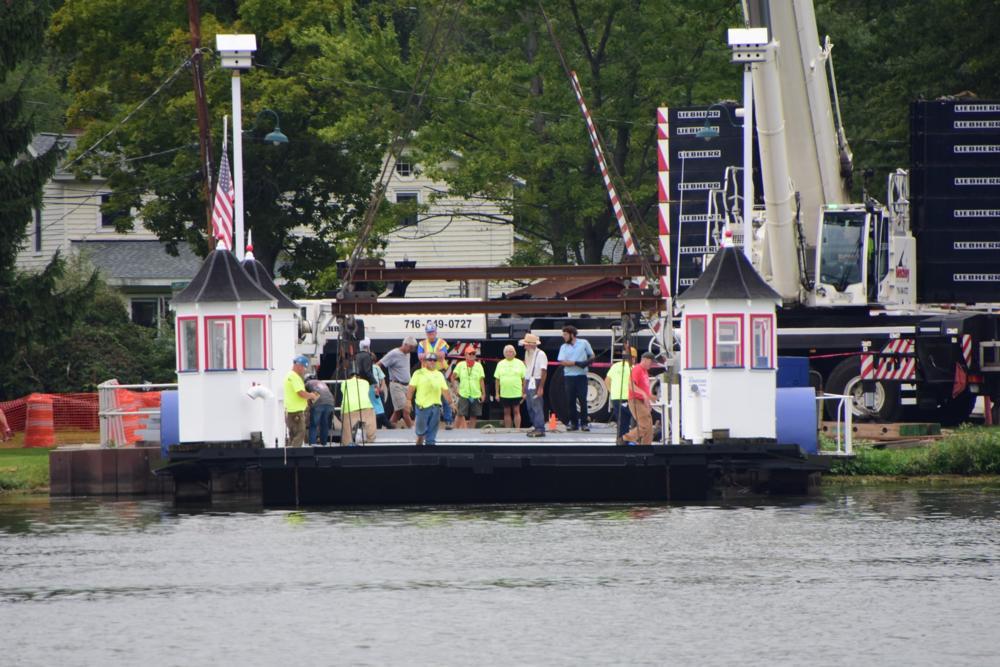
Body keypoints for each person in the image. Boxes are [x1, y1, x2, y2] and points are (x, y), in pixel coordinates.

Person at [406, 352, 455, 446]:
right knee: (420, 433)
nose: (432, 362)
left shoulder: (439, 374)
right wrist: (408, 401)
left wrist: (451, 403)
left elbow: (445, 390)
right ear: (425, 361)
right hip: (422, 407)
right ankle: (419, 447)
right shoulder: (418, 373)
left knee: (431, 436)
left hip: (435, 407)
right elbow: (411, 388)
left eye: (434, 360)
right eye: (430, 360)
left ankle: (430, 453)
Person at [556, 325, 594, 431]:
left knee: (583, 400)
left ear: (572, 335)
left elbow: (592, 355)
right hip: (569, 377)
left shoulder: (584, 343)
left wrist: (588, 362)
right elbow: (562, 361)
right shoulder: (563, 347)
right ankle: (573, 423)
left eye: (565, 334)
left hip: (581, 376)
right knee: (570, 401)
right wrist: (576, 363)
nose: (564, 337)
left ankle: (584, 423)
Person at [418, 323, 454, 429]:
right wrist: (435, 355)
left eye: (432, 333)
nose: (431, 335)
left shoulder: (442, 342)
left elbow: (442, 355)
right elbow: (420, 357)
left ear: (436, 332)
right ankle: (428, 421)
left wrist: (427, 356)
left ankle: (448, 421)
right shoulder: (422, 343)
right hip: (426, 373)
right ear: (426, 333)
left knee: (444, 395)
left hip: (439, 372)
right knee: (427, 395)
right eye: (429, 333)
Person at [379, 336, 417, 429]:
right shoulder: (393, 354)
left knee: (398, 411)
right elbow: (378, 365)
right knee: (405, 410)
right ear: (405, 344)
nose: (411, 350)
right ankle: (413, 430)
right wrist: (379, 379)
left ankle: (390, 428)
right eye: (410, 348)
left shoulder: (407, 354)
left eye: (413, 348)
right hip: (397, 385)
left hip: (406, 386)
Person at [622, 352, 656, 446]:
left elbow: (644, 388)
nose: (652, 365)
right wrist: (644, 395)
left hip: (641, 401)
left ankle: (646, 446)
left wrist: (649, 397)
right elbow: (631, 384)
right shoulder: (637, 369)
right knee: (644, 424)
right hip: (635, 400)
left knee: (649, 427)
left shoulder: (644, 371)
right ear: (645, 360)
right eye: (651, 362)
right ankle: (626, 439)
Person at [285, 355, 319, 447]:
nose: (304, 370)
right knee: (300, 433)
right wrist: (311, 395)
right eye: (304, 367)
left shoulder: (290, 376)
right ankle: (295, 455)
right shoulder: (294, 377)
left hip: (291, 411)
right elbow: (300, 393)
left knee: (293, 435)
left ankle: (289, 455)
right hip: (296, 412)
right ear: (299, 365)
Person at [519, 333, 548, 438]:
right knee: (530, 406)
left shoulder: (541, 354)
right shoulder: (527, 354)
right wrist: (524, 387)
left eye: (526, 344)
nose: (524, 346)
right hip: (529, 381)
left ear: (531, 344)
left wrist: (540, 387)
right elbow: (527, 370)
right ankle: (536, 426)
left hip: (536, 380)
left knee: (537, 405)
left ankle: (540, 428)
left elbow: (543, 371)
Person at [605, 348, 636, 445]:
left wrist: (612, 392)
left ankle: (621, 441)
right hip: (627, 397)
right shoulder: (633, 368)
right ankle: (627, 440)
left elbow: (607, 380)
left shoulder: (615, 366)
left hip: (615, 398)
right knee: (634, 419)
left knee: (621, 421)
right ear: (633, 357)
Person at [451, 345, 485, 429]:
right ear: (465, 355)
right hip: (463, 393)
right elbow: (452, 377)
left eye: (474, 353)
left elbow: (481, 380)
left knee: (474, 415)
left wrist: (483, 394)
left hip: (476, 393)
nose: (472, 355)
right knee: (460, 414)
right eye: (470, 354)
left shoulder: (479, 365)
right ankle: (455, 431)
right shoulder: (460, 365)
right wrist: (455, 389)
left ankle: (471, 433)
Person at [494, 344, 526, 429]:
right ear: (504, 353)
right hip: (504, 393)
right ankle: (508, 431)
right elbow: (497, 379)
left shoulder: (520, 363)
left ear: (514, 353)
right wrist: (497, 393)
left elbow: (524, 379)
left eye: (511, 351)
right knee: (506, 412)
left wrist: (524, 392)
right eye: (507, 352)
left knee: (516, 411)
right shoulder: (500, 363)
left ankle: (517, 429)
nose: (509, 353)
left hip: (517, 392)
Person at [340, 370, 376, 446]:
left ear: (350, 377)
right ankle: (370, 439)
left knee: (347, 431)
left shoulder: (344, 383)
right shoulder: (365, 382)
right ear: (359, 377)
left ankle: (347, 444)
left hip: (349, 407)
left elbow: (343, 391)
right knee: (370, 424)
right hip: (365, 405)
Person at [306, 376, 336, 445]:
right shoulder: (322, 383)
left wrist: (309, 405)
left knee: (314, 424)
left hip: (319, 403)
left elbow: (306, 395)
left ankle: (312, 444)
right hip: (330, 403)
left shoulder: (308, 383)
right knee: (324, 424)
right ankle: (324, 444)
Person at [370, 358, 388, 428]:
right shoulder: (366, 368)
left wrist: (382, 388)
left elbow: (382, 379)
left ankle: (379, 426)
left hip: (378, 390)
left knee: (381, 408)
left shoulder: (377, 368)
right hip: (371, 390)